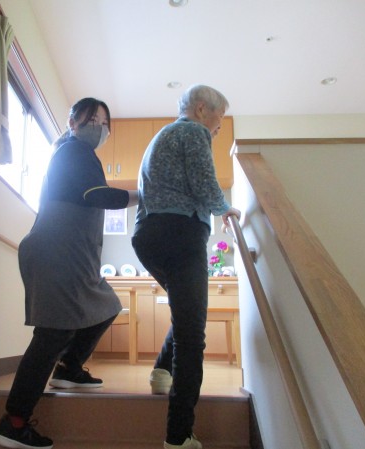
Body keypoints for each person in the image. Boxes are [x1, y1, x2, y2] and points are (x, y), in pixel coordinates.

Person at [0, 98, 138, 449]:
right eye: (92, 120)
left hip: (70, 255)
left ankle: (69, 368)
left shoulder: (78, 155)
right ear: (73, 122)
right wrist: (142, 194)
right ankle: (14, 422)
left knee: (106, 306)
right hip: (57, 252)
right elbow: (97, 195)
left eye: (104, 123)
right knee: (52, 335)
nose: (100, 127)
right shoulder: (74, 151)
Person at [131, 84, 241, 449]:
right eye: (219, 120)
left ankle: (162, 372)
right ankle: (178, 436)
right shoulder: (193, 131)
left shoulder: (161, 136)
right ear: (201, 108)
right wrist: (225, 209)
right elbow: (203, 179)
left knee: (187, 314)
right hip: (180, 234)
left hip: (149, 236)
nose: (218, 129)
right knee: (193, 335)